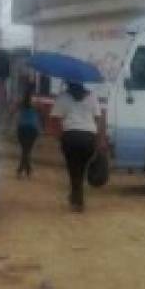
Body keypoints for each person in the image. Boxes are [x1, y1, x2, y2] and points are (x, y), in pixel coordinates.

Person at [49, 80, 106, 212]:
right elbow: (98, 118)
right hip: (88, 137)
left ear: (69, 84)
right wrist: (100, 139)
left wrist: (60, 137)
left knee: (73, 168)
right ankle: (76, 198)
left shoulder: (63, 96)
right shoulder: (92, 96)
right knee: (82, 168)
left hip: (71, 136)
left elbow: (55, 118)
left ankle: (77, 200)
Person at [11, 82, 41, 179]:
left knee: (25, 150)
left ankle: (24, 171)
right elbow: (42, 114)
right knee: (27, 150)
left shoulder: (21, 101)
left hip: (22, 128)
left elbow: (12, 111)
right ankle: (24, 171)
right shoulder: (37, 101)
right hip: (32, 128)